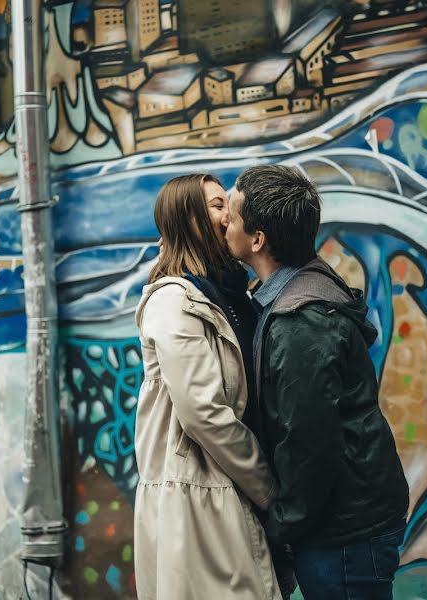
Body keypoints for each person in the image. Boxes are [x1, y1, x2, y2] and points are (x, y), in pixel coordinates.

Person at [222, 165, 410, 600]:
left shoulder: (299, 321)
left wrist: (281, 525)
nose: (222, 223)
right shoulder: (303, 286)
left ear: (257, 239)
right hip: (349, 520)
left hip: (342, 531)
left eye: (230, 215)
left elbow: (310, 441)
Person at [133, 174, 281, 600]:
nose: (229, 214)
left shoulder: (234, 297)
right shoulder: (174, 301)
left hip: (232, 491)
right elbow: (204, 414)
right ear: (191, 221)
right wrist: (269, 488)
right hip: (199, 501)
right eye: (218, 206)